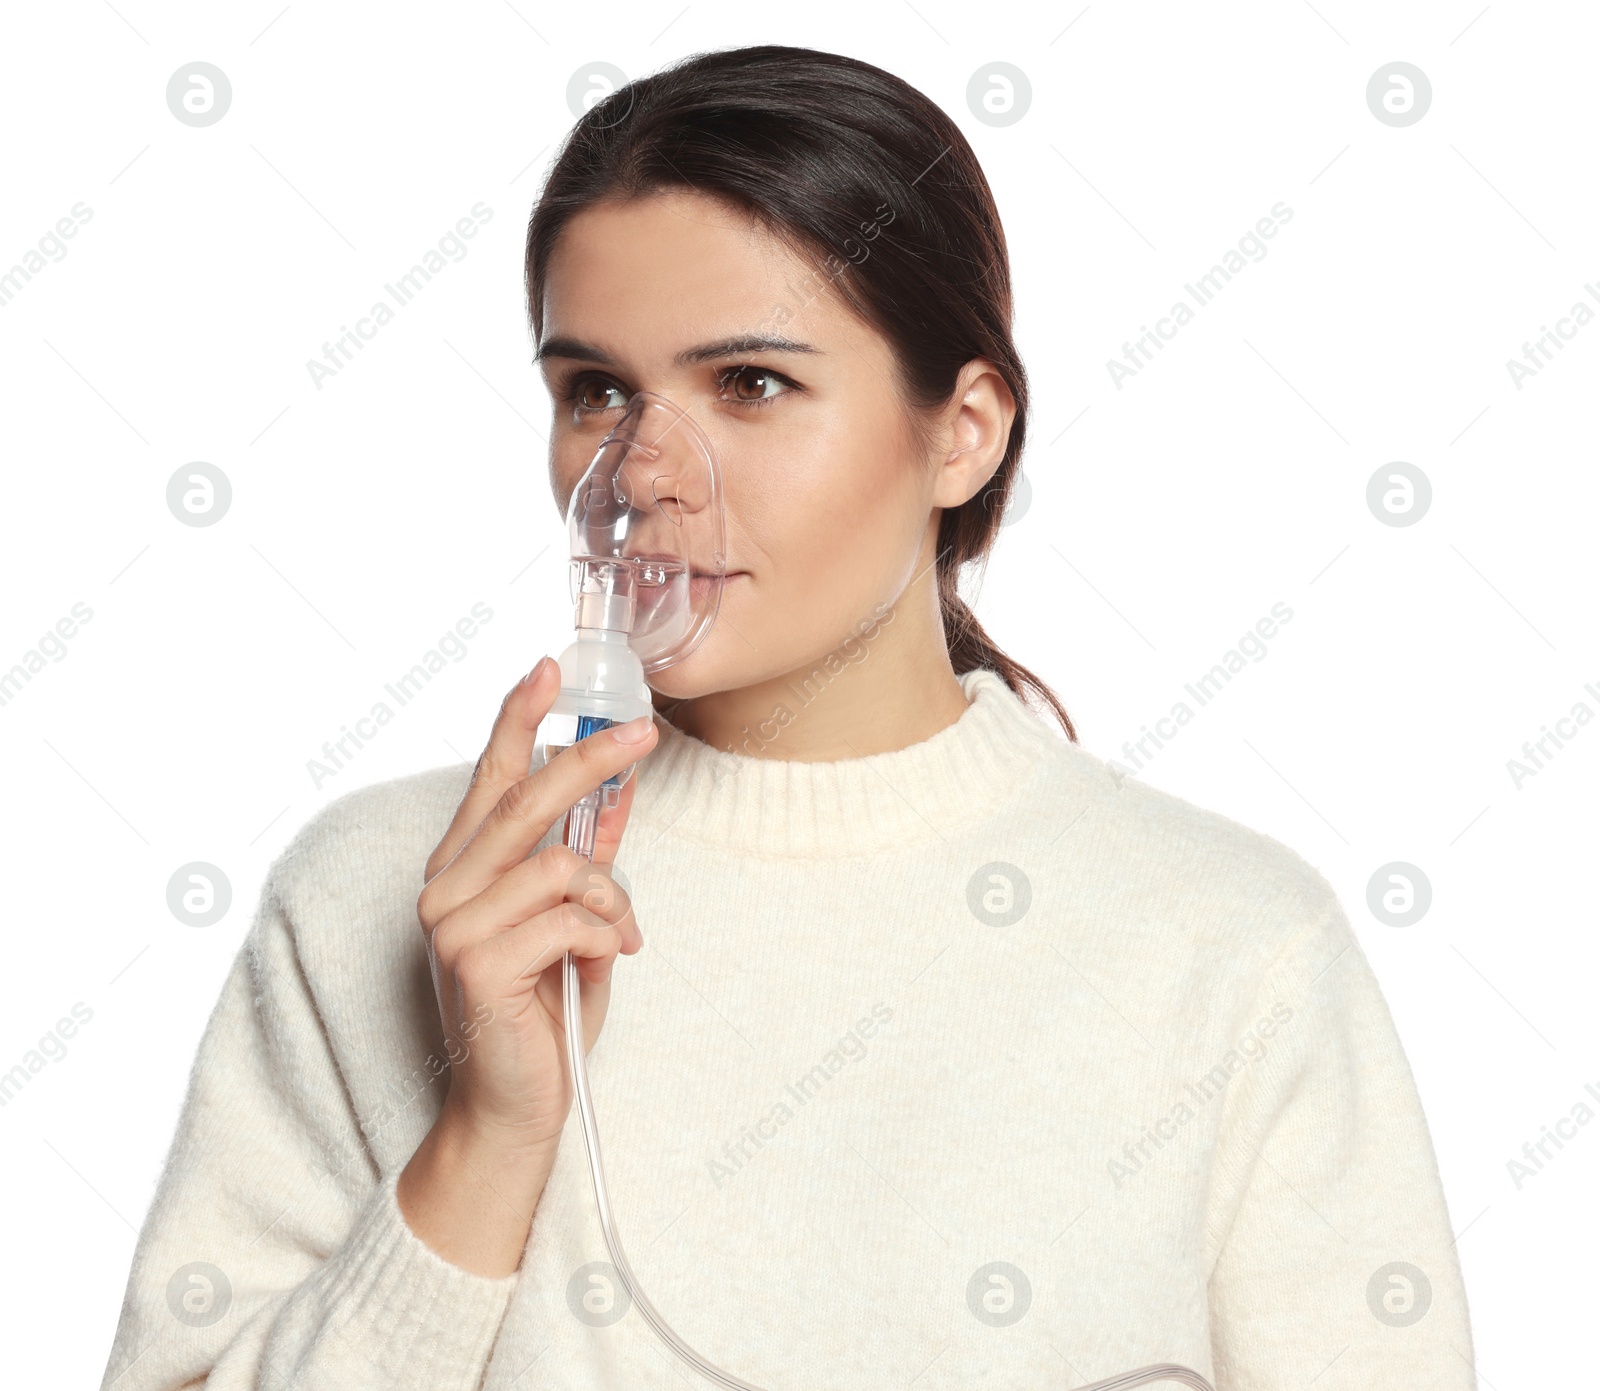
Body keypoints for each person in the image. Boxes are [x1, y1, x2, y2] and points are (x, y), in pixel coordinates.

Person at [99, 44, 1476, 1391]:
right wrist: (483, 1142)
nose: (642, 472)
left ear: (965, 431)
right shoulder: (380, 899)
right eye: (595, 390)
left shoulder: (1234, 950)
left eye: (751, 385)